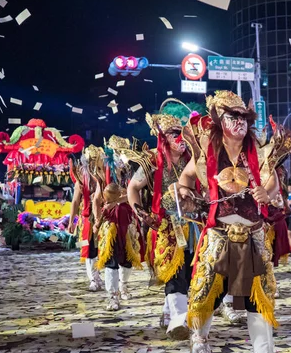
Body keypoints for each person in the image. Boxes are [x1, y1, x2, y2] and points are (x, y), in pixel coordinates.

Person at [178, 90, 289, 353]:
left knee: (260, 298)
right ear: (218, 120)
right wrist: (186, 193)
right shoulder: (207, 150)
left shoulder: (259, 148)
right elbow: (186, 177)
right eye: (232, 116)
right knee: (208, 293)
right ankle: (198, 340)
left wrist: (268, 192)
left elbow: (271, 179)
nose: (239, 122)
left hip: (253, 233)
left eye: (243, 117)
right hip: (218, 233)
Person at [126, 106, 199, 339]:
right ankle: (179, 320)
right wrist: (140, 213)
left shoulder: (192, 160)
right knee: (173, 272)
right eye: (174, 133)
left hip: (192, 225)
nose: (180, 137)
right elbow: (133, 188)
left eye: (182, 132)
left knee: (189, 273)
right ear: (163, 137)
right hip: (165, 225)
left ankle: (169, 313)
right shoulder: (152, 161)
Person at [93, 183, 142, 311]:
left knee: (127, 263)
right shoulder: (100, 182)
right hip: (111, 232)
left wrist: (118, 200)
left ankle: (123, 286)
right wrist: (97, 221)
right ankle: (112, 296)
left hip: (126, 231)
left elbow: (134, 195)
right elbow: (96, 201)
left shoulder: (130, 182)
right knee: (111, 263)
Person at [69, 146, 105, 291]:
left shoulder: (106, 176)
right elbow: (75, 202)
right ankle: (94, 279)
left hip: (105, 218)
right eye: (90, 161)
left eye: (96, 161)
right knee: (88, 249)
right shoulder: (82, 179)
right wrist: (72, 221)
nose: (93, 165)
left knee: (105, 249)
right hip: (87, 221)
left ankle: (111, 276)